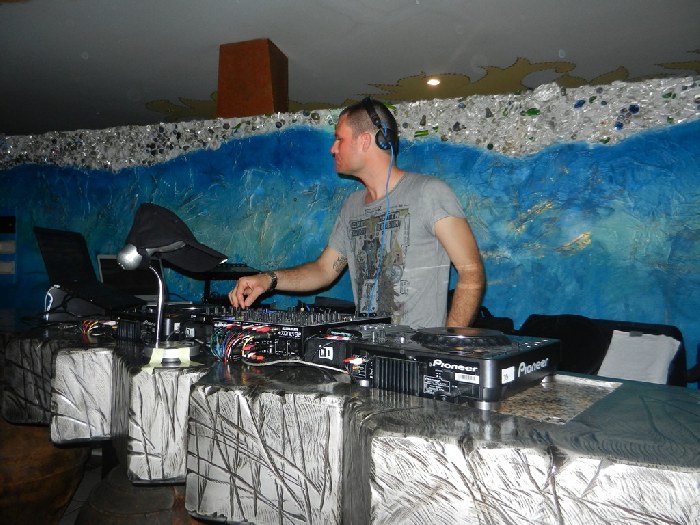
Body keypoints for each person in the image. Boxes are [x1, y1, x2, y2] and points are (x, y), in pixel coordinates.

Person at [229, 98, 485, 328]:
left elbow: (471, 270)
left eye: (339, 139)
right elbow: (323, 270)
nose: (333, 149)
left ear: (365, 141)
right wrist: (268, 279)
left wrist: (448, 343)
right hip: (368, 352)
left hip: (420, 355)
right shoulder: (351, 206)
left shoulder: (429, 193)